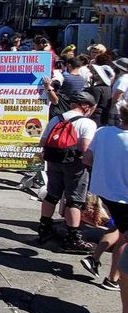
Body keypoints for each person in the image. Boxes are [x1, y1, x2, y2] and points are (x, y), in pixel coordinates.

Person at [37, 92, 98, 253]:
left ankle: (44, 228)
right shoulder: (87, 123)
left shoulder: (56, 119)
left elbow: (43, 141)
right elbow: (85, 148)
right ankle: (72, 238)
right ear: (85, 106)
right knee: (74, 200)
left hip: (54, 161)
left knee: (51, 194)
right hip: (76, 164)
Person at [82, 103, 128, 300]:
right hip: (124, 195)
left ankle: (95, 259)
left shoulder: (103, 132)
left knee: (119, 229)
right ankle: (113, 278)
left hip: (105, 191)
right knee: (124, 236)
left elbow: (87, 158)